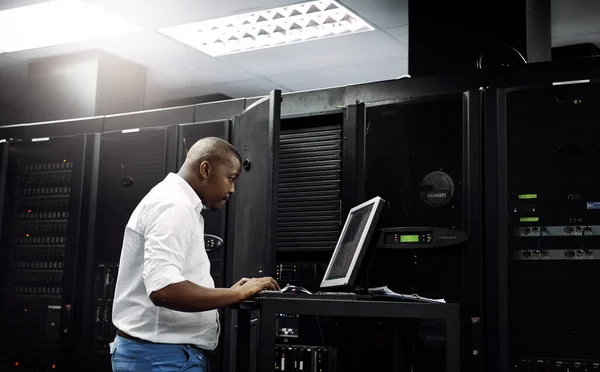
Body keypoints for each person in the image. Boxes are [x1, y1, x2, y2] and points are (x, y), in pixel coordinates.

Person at [110, 137, 280, 372]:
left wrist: (231, 293)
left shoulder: (177, 203)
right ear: (206, 169)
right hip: (160, 358)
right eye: (230, 178)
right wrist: (237, 294)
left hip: (160, 356)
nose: (232, 189)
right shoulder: (174, 206)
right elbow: (164, 289)